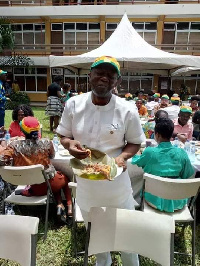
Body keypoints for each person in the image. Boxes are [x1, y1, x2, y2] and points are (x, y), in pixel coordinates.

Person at [56, 56, 145, 265]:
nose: (103, 78)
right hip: (86, 186)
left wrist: (122, 158)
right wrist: (69, 145)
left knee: (126, 237)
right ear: (90, 76)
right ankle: (103, 262)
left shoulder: (127, 109)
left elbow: (135, 142)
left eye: (109, 74)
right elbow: (64, 135)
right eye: (99, 73)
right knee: (97, 235)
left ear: (117, 81)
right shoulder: (74, 104)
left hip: (116, 186)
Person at [1, 116, 72, 222]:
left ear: (22, 130)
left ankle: (60, 204)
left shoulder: (13, 146)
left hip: (30, 188)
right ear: (38, 129)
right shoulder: (47, 142)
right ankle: (68, 207)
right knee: (62, 177)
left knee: (52, 177)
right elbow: (52, 156)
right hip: (48, 184)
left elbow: (2, 159)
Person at [132, 118, 194, 213]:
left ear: (157, 135)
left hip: (154, 200)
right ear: (171, 135)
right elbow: (187, 174)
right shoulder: (182, 153)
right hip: (177, 201)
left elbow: (137, 161)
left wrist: (138, 154)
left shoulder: (150, 152)